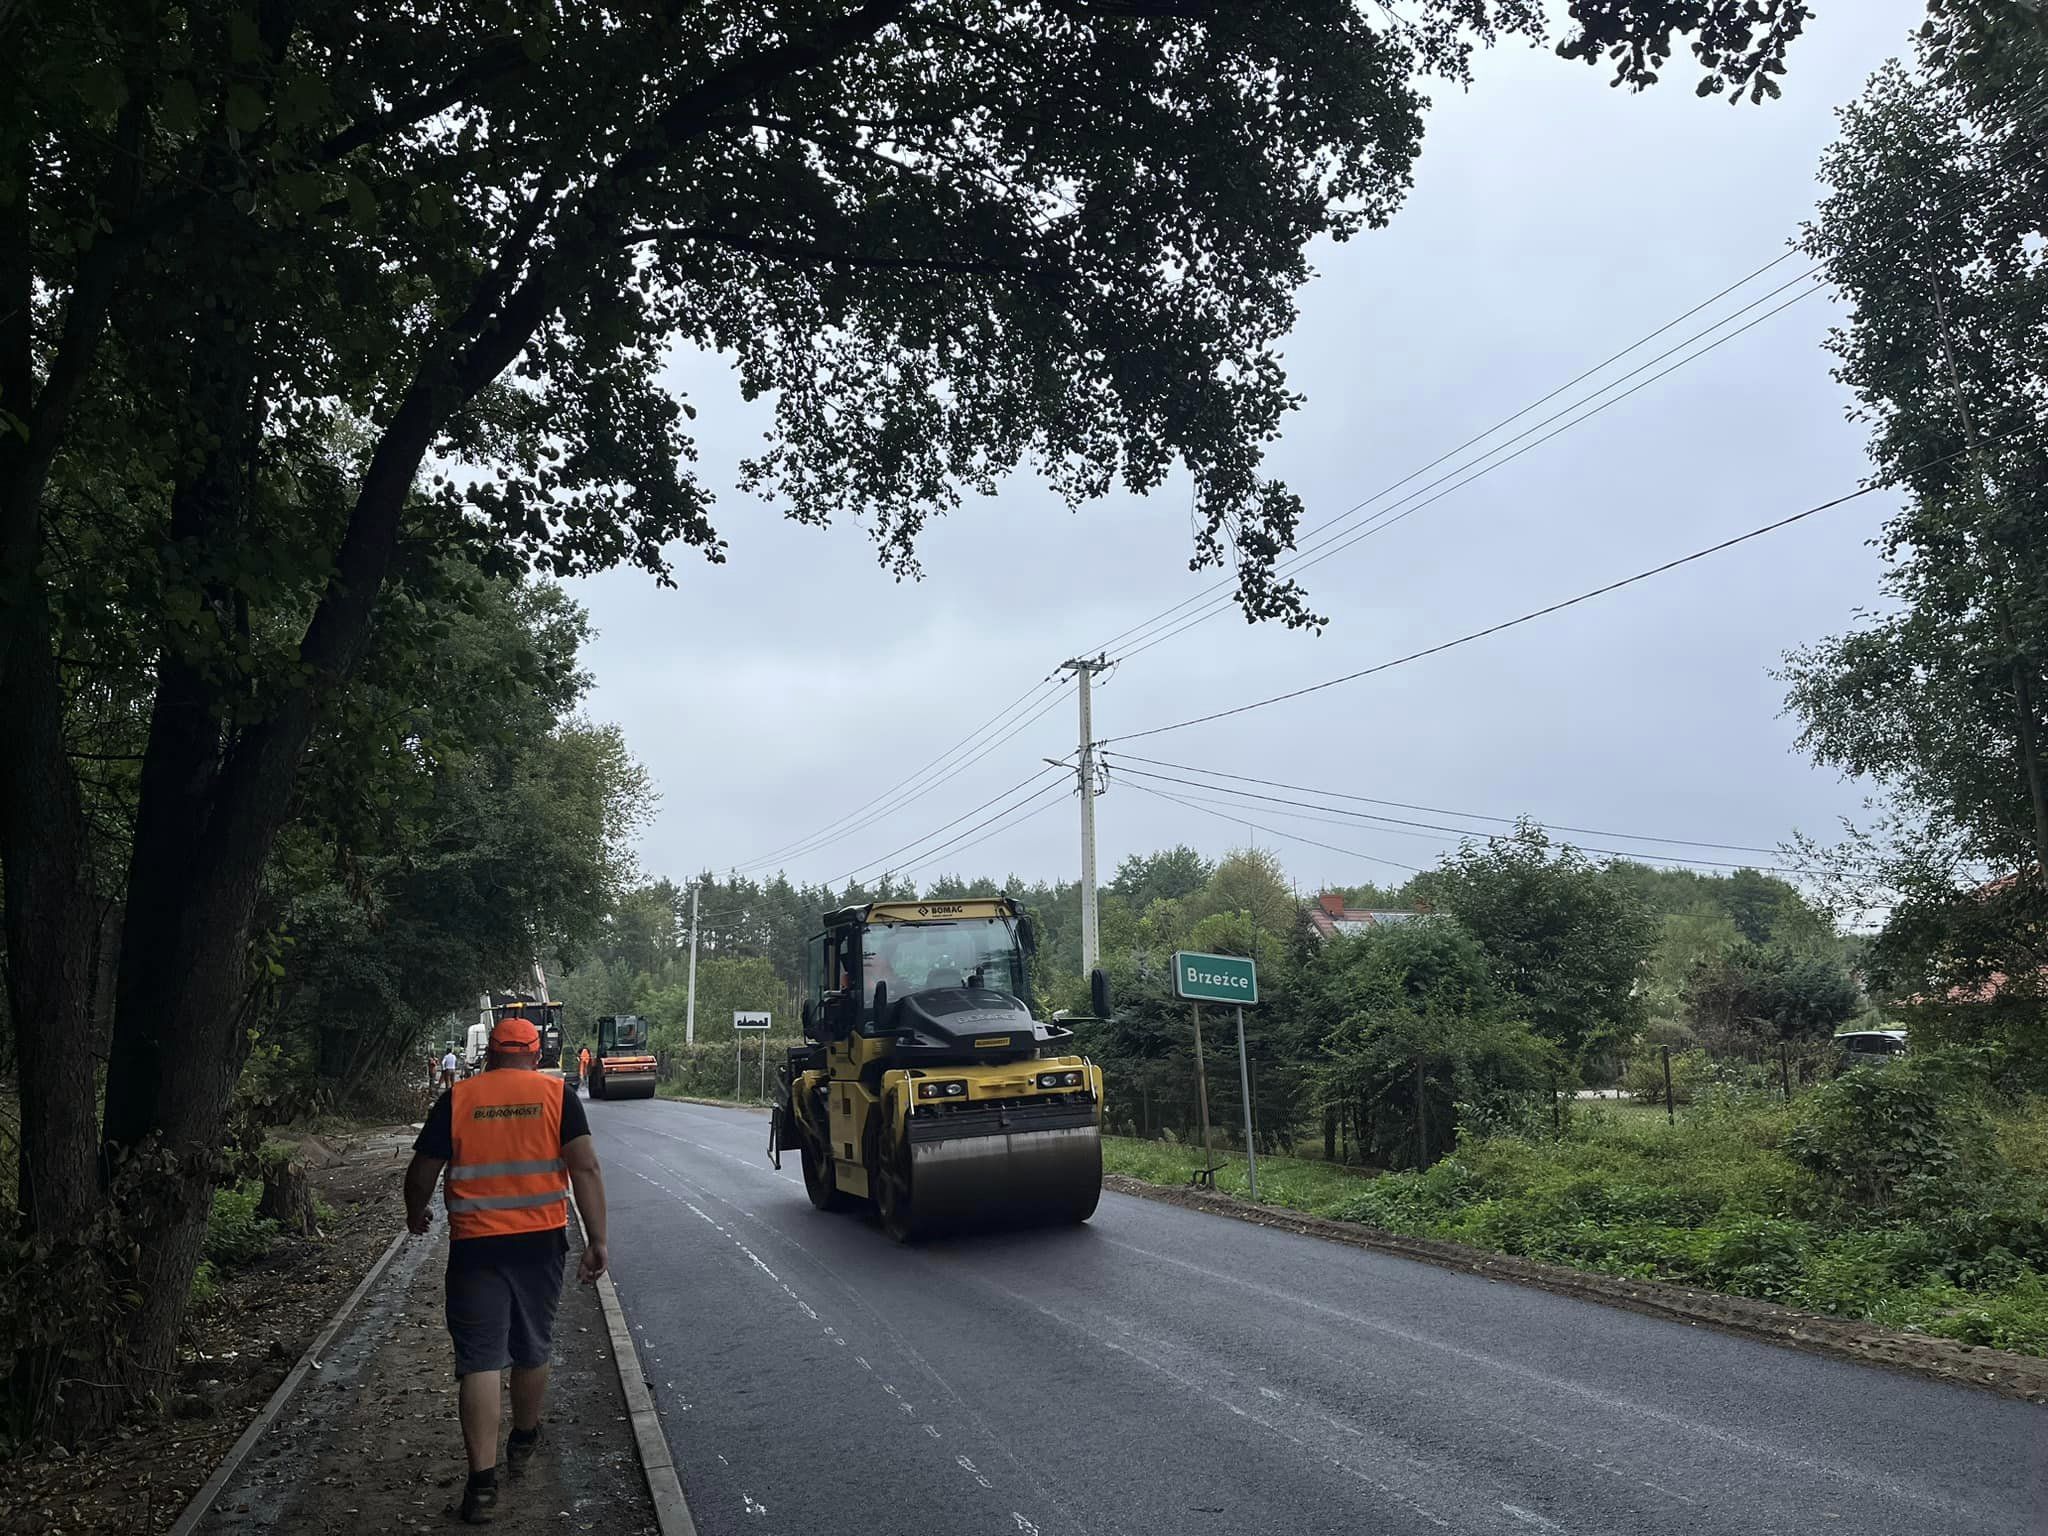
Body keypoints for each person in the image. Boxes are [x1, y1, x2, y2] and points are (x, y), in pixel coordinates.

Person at [404, 1014, 609, 1525]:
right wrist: (598, 1240)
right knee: (532, 1345)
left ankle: (481, 1486)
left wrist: (415, 1210)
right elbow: (585, 1167)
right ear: (536, 1054)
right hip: (540, 1243)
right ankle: (524, 1436)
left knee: (479, 1360)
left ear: (491, 1054)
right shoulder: (558, 1096)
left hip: (475, 1246)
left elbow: (423, 1169)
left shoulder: (458, 1098)